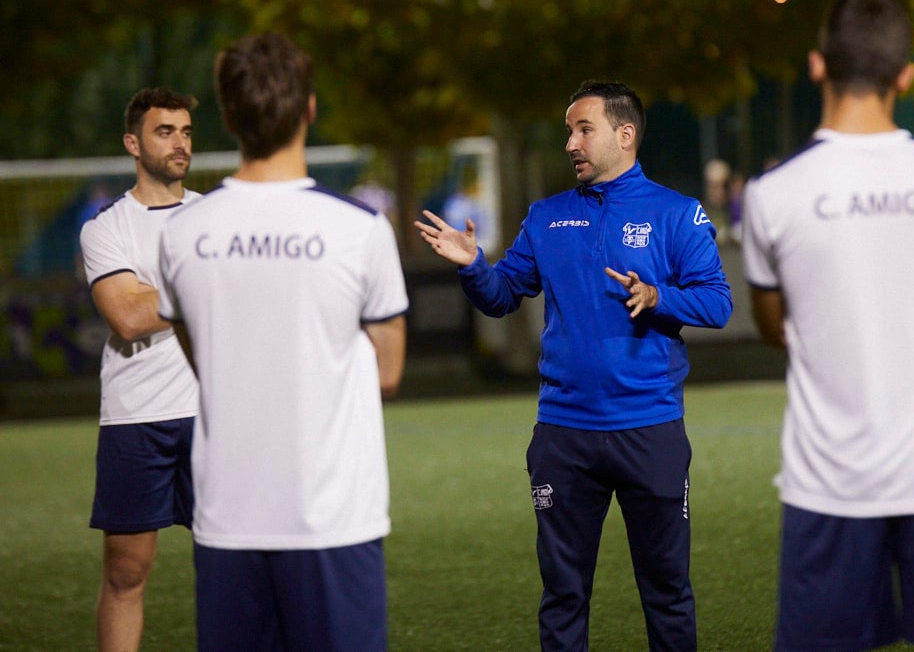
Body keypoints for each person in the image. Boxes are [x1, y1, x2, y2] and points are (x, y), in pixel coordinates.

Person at [741, 0, 914, 651]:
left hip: (830, 478)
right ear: (907, 76)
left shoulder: (769, 195)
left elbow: (777, 326)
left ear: (817, 66)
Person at [415, 80, 732, 651]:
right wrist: (472, 267)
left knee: (667, 591)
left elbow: (717, 302)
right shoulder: (546, 217)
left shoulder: (677, 213)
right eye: (568, 131)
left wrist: (659, 297)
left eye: (584, 129)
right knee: (563, 596)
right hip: (565, 435)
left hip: (649, 429)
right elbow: (504, 294)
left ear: (625, 134)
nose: (571, 143)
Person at [157, 33, 408, 651]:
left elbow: (199, 356)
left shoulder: (183, 233)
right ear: (309, 109)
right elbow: (388, 371)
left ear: (226, 112)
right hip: (333, 520)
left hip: (226, 523)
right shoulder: (360, 229)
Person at [78, 86, 200, 652]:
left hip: (215, 415)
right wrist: (209, 285)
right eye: (164, 131)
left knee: (238, 565)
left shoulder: (214, 216)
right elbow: (127, 315)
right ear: (133, 142)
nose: (180, 143)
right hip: (135, 417)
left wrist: (160, 293)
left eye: (185, 131)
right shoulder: (106, 228)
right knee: (126, 573)